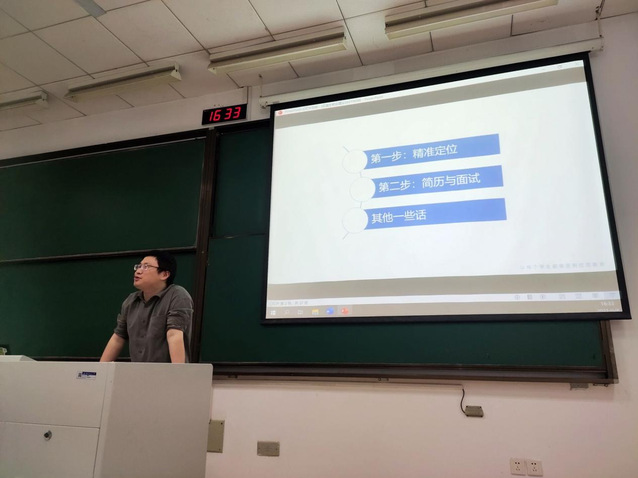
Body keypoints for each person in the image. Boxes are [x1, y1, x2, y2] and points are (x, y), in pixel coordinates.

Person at [100, 250, 193, 363]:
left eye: (146, 267)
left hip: (165, 371)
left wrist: (177, 372)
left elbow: (174, 335)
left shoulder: (177, 295)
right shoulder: (130, 301)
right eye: (138, 266)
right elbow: (118, 337)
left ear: (164, 274)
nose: (138, 271)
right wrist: (100, 369)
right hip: (138, 371)